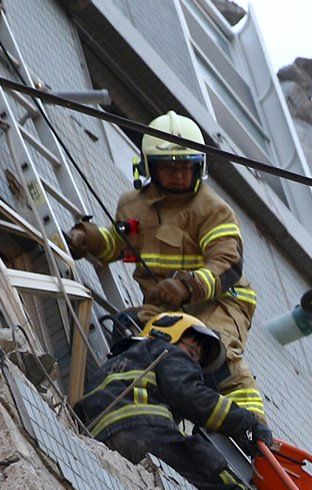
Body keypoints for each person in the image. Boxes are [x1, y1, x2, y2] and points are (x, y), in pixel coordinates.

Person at [65, 112, 267, 420]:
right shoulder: (132, 205)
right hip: (163, 307)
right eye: (168, 167)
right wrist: (87, 238)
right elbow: (117, 243)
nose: (177, 174)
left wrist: (186, 286)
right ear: (149, 167)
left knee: (215, 348)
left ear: (198, 167)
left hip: (220, 301)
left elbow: (228, 262)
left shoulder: (212, 209)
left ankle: (255, 430)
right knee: (132, 339)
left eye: (184, 167)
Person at [75, 312, 268, 490]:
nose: (192, 361)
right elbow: (190, 395)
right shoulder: (165, 350)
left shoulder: (108, 366)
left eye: (196, 359)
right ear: (166, 333)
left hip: (102, 440)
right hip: (147, 435)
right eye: (191, 350)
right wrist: (247, 423)